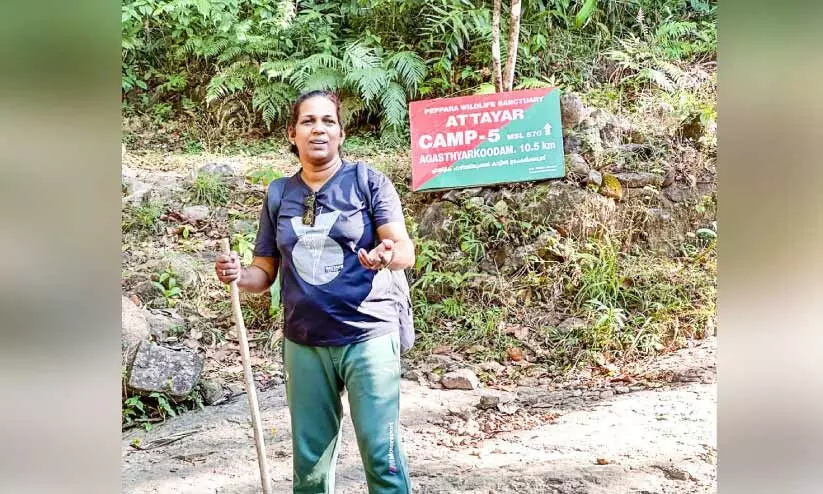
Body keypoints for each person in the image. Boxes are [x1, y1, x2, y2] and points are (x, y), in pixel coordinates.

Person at [215, 90, 415, 493]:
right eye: (308, 121)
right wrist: (236, 275)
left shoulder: (368, 182)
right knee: (310, 465)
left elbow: (404, 250)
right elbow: (264, 272)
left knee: (382, 456)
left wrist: (386, 253)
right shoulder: (279, 194)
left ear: (341, 132)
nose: (318, 128)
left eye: (328, 121)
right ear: (293, 133)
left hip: (368, 336)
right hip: (304, 341)